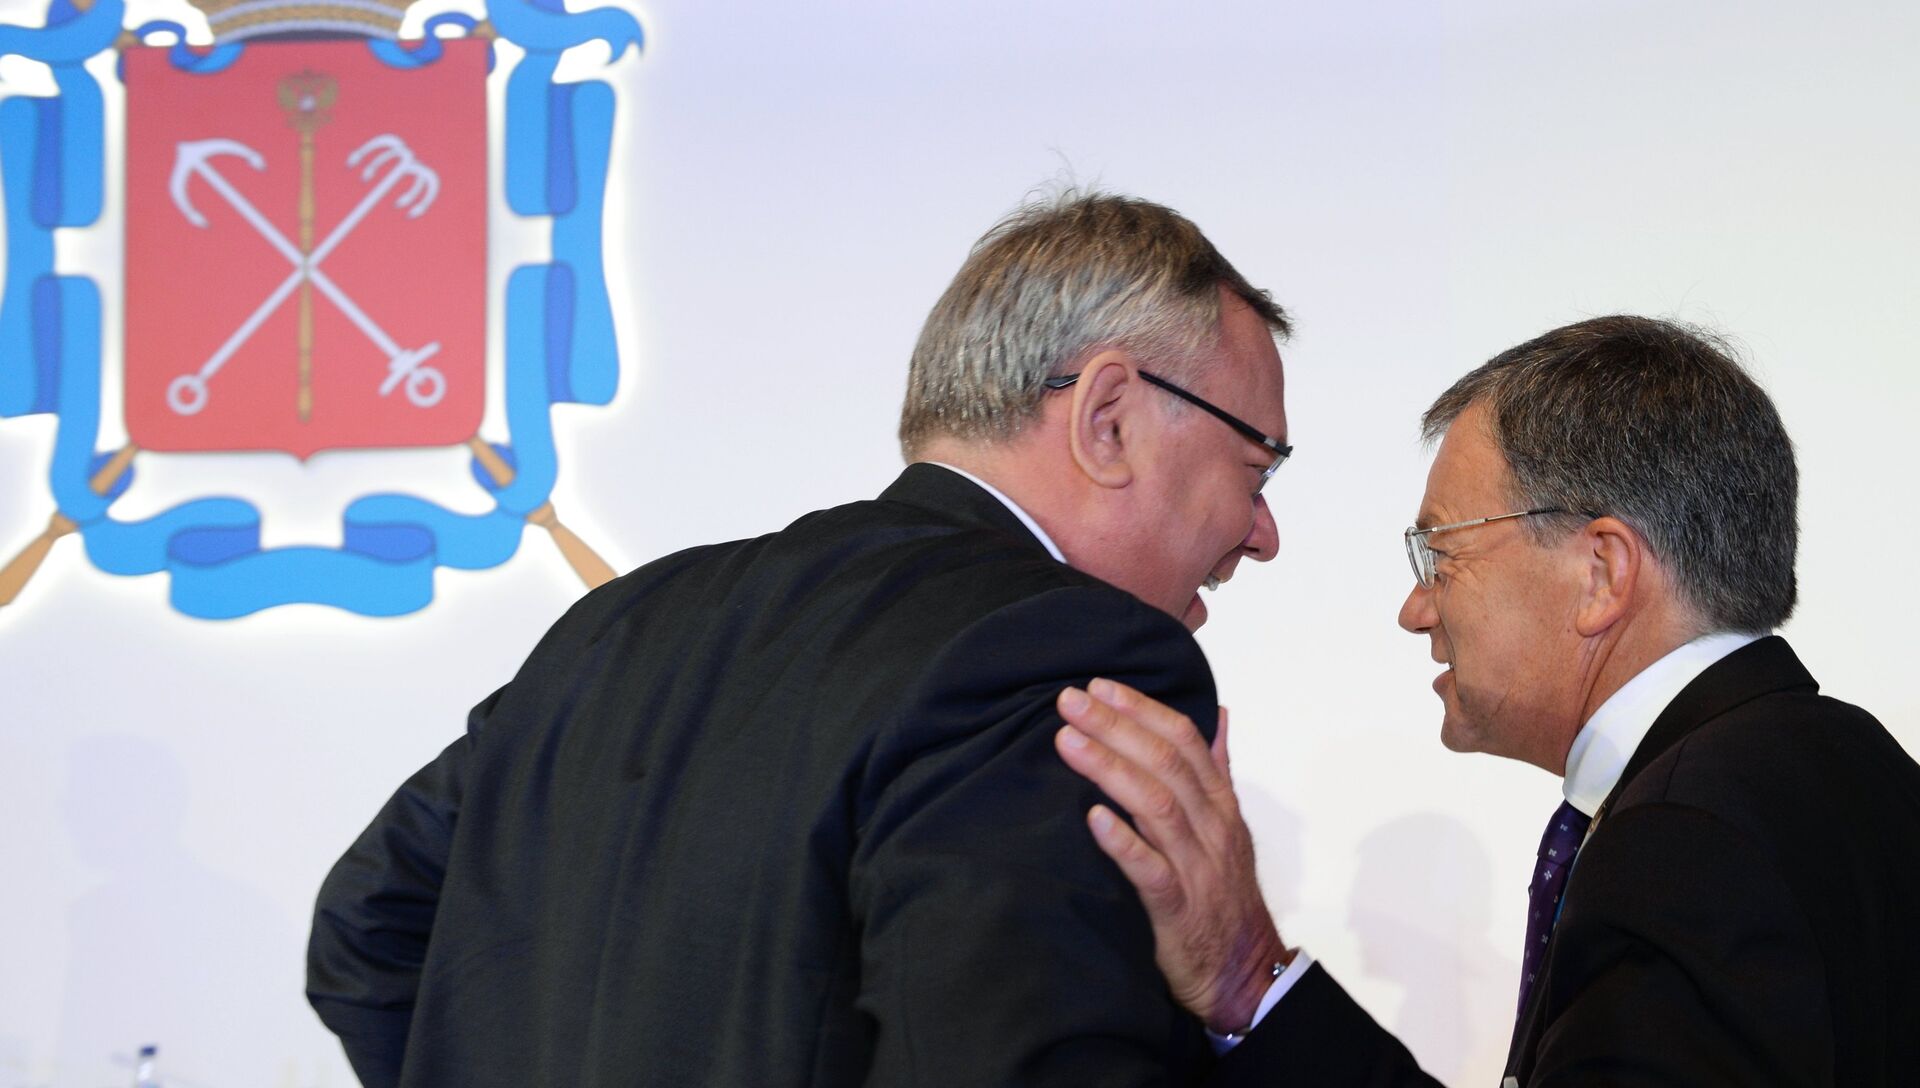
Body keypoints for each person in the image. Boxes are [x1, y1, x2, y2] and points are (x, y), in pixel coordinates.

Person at [306, 192, 1298, 1086]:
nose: (1263, 533)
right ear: (1109, 418)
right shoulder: (1077, 655)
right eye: (1256, 470)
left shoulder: (623, 623)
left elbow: (368, 928)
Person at [1055, 315, 1920, 1086]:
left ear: (1602, 573)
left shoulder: (1686, 837)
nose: (1416, 609)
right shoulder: (1853, 768)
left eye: (1440, 554)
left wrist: (1251, 981)